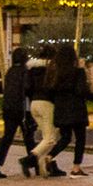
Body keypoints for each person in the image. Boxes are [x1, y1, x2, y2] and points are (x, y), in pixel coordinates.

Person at [40, 45, 93, 177]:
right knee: (80, 139)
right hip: (77, 110)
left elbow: (49, 91)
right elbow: (81, 90)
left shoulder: (55, 74)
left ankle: (50, 155)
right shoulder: (78, 72)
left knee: (65, 138)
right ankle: (76, 167)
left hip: (61, 110)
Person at [0, 46, 37, 178]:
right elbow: (27, 89)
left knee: (7, 137)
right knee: (29, 136)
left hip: (8, 107)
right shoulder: (24, 72)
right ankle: (34, 163)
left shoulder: (10, 71)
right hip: (21, 109)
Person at [26, 45, 61, 177]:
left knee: (46, 137)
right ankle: (30, 158)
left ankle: (43, 168)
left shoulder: (32, 69)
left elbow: (27, 88)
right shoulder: (51, 70)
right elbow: (54, 88)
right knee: (51, 138)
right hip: (47, 103)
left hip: (33, 104)